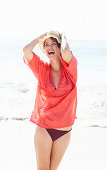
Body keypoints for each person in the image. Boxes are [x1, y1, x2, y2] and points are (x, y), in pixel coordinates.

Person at [23, 31, 78, 170]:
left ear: (59, 47)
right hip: (44, 129)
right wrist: (41, 37)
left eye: (53, 44)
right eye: (46, 45)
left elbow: (66, 51)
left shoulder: (70, 70)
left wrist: (63, 36)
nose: (49, 47)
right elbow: (26, 50)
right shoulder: (42, 70)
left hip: (64, 131)